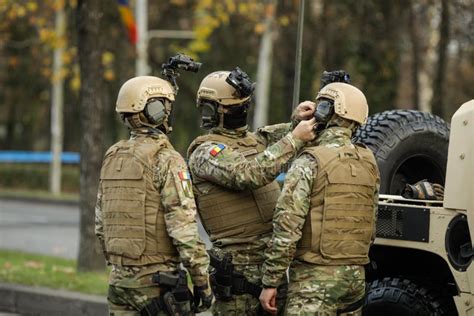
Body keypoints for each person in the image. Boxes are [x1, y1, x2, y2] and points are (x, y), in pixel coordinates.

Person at [187, 68, 316, 315]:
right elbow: (248, 174)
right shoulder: (206, 152)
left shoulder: (254, 141)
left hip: (272, 268)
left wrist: (299, 121)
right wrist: (294, 138)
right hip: (238, 271)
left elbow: (281, 138)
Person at [95, 76, 212, 316]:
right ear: (156, 111)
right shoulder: (166, 159)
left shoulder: (113, 156)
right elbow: (184, 231)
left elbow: (101, 226)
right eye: (165, 106)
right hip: (157, 284)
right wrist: (202, 282)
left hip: (118, 281)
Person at [260, 82, 380, 315]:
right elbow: (371, 223)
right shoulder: (369, 161)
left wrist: (270, 281)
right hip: (355, 280)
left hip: (313, 281)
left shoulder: (310, 161)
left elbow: (287, 226)